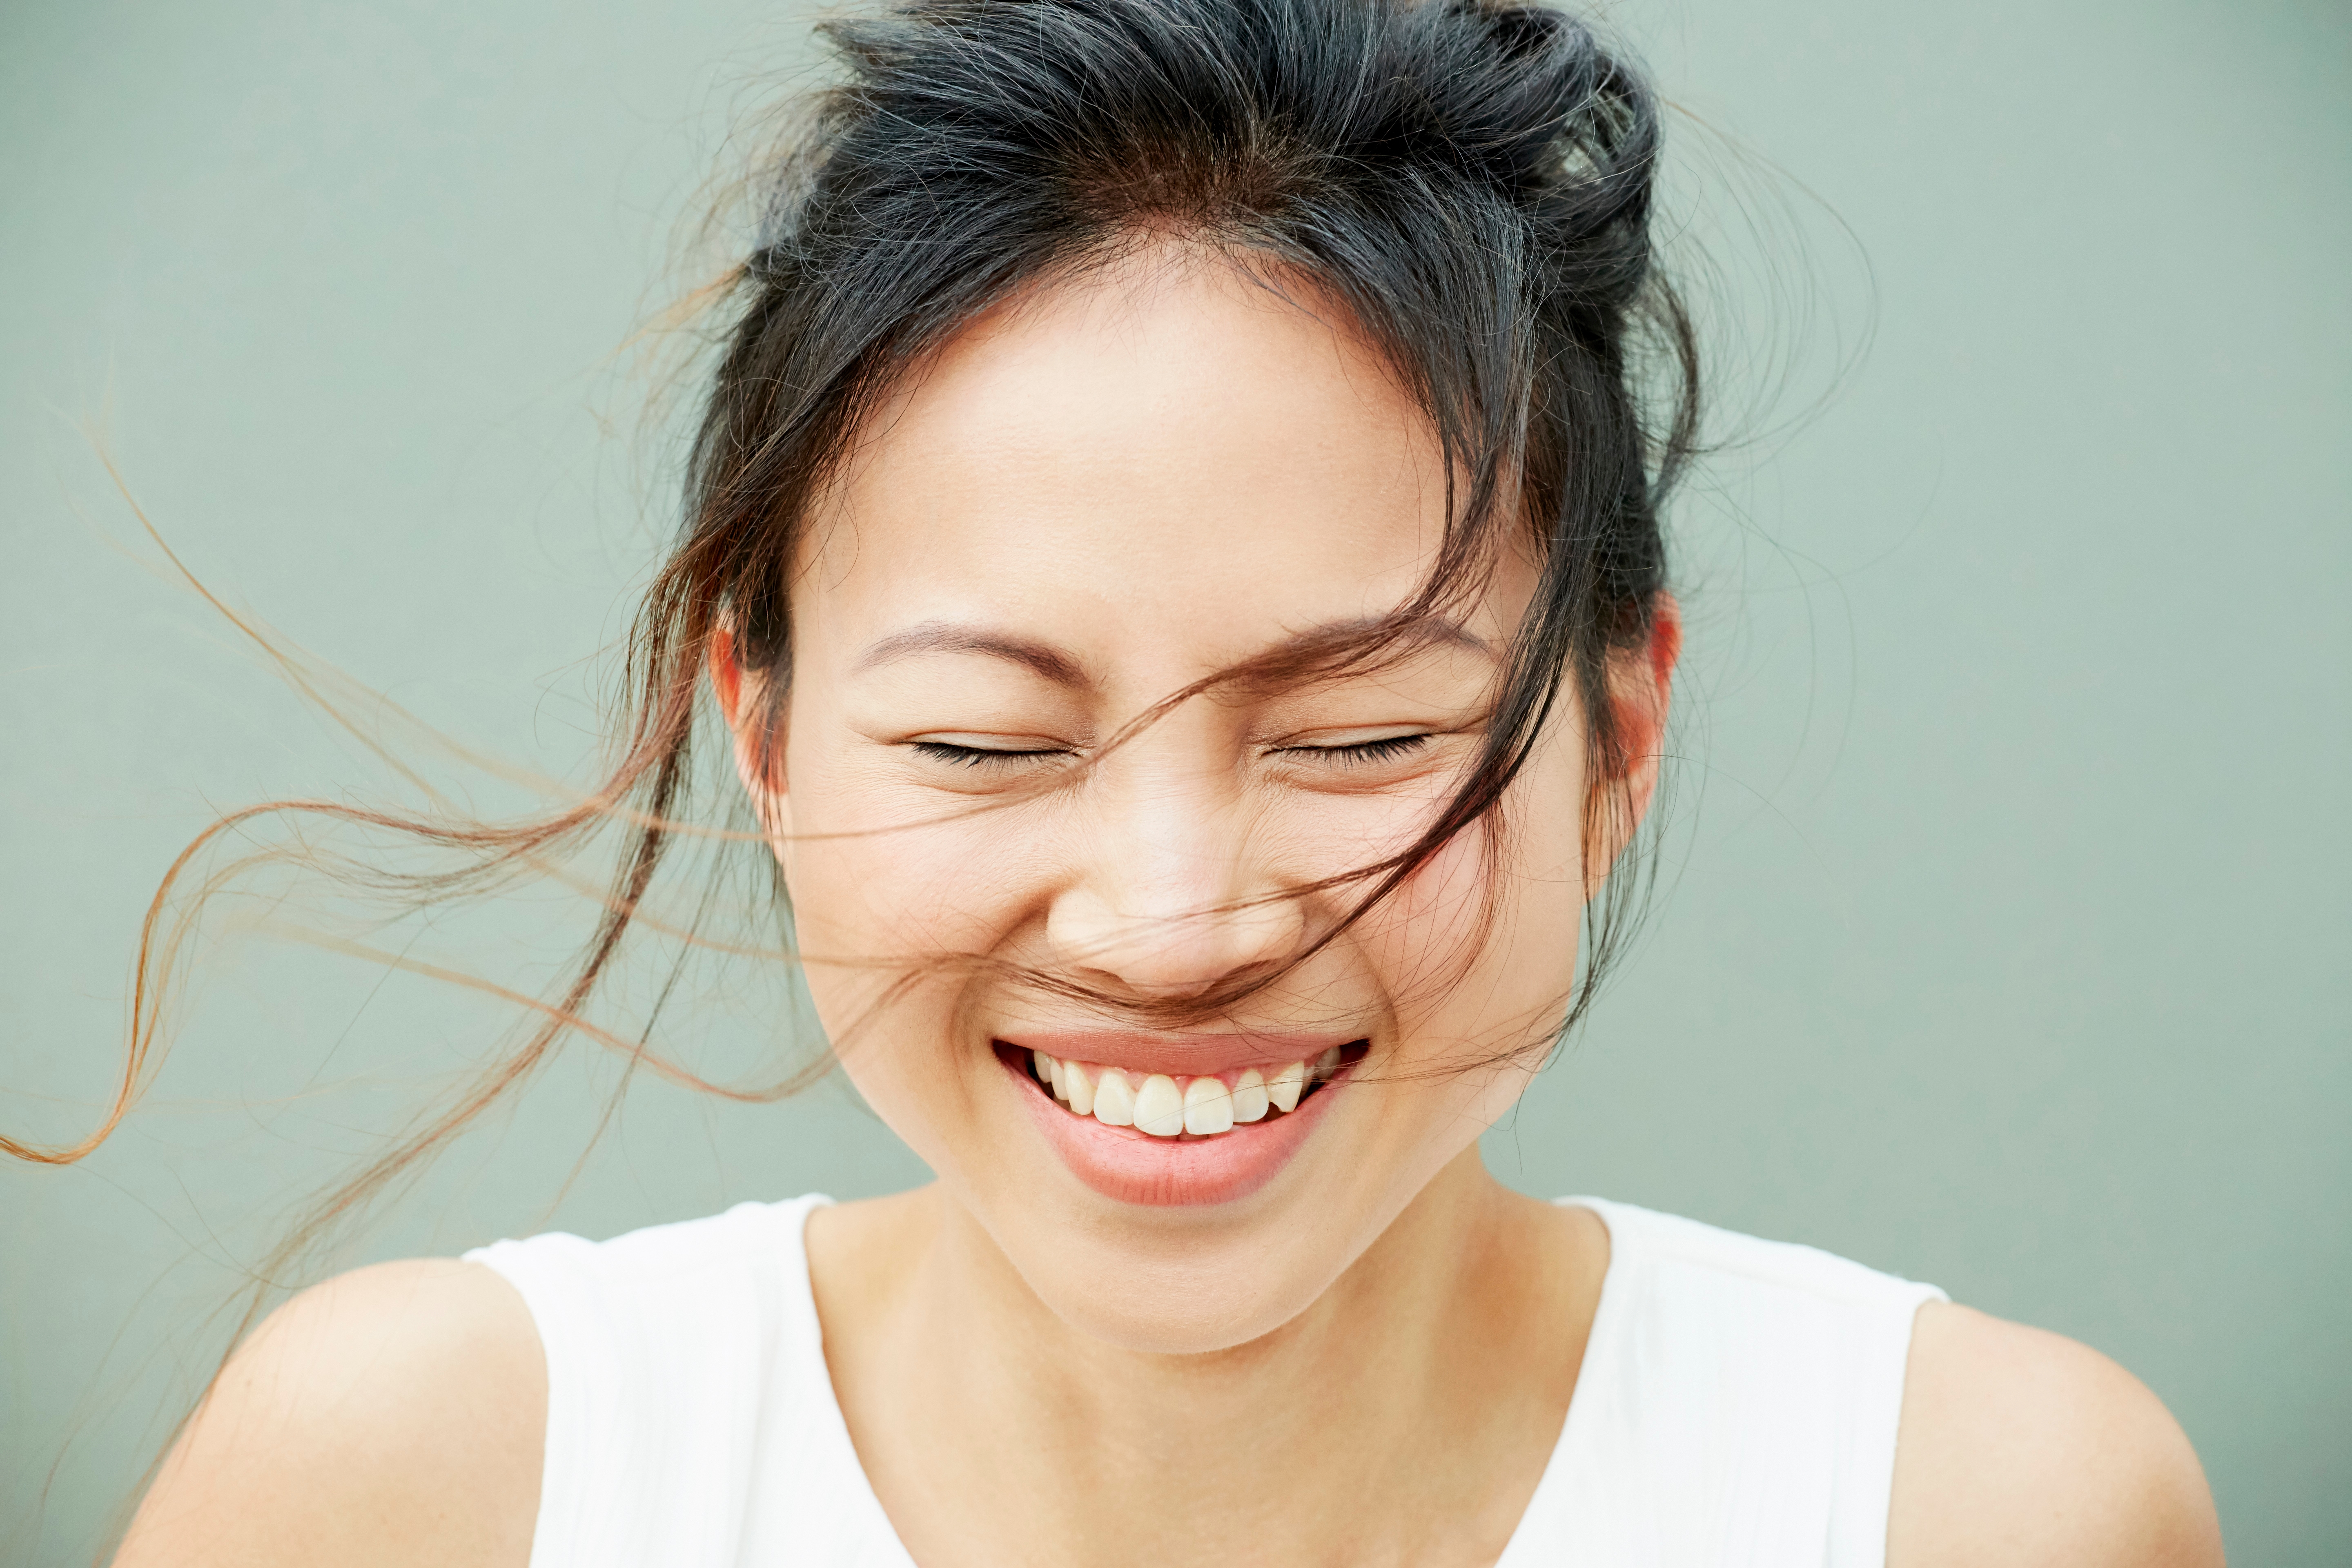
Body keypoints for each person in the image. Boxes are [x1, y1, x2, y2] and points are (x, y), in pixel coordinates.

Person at [90, 0, 2221, 1563]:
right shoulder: (429, 1485)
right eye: (986, 744)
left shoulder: (1979, 1506)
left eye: (1365, 738)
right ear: (764, 736)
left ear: (1621, 739)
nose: (1174, 922)